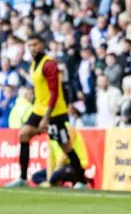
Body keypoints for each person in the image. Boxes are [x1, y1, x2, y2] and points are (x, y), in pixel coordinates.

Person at [6, 36, 88, 188]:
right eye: (29, 45)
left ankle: (82, 181)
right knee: (24, 134)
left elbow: (55, 93)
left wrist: (46, 117)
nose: (32, 48)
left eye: (35, 44)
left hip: (54, 112)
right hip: (39, 109)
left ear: (42, 45)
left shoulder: (49, 64)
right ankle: (23, 179)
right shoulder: (33, 65)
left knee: (66, 146)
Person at [32, 122, 89, 188]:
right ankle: (52, 185)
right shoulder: (51, 133)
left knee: (55, 176)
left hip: (74, 165)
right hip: (61, 166)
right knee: (36, 177)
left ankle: (83, 180)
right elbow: (50, 158)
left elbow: (65, 155)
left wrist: (54, 173)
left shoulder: (69, 129)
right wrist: (49, 178)